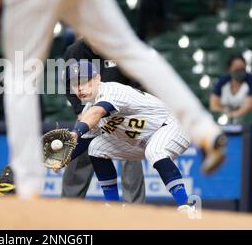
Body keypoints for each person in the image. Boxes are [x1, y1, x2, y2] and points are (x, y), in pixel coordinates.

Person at [0, 0, 226, 199]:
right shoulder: (77, 52)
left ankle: (28, 186)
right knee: (132, 51)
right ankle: (205, 130)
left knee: (19, 77)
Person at [62, 60, 193, 214]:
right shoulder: (89, 109)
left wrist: (76, 132)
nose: (80, 88)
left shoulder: (112, 91)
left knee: (155, 151)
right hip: (142, 140)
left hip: (172, 126)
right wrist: (63, 158)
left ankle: (186, 206)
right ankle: (113, 207)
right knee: (95, 147)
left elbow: (97, 113)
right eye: (74, 84)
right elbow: (83, 142)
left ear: (98, 79)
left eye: (84, 81)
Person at [62, 39, 145, 203]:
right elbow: (68, 84)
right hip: (89, 109)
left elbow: (139, 82)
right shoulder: (75, 51)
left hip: (123, 110)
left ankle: (134, 208)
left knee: (131, 157)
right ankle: (69, 205)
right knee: (78, 152)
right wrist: (79, 110)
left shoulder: (122, 48)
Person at [210, 54, 252, 120]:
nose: (240, 71)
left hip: (247, 119)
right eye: (236, 69)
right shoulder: (222, 82)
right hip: (224, 118)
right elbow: (214, 105)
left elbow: (249, 107)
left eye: (242, 68)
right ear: (229, 69)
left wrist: (232, 115)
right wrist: (223, 113)